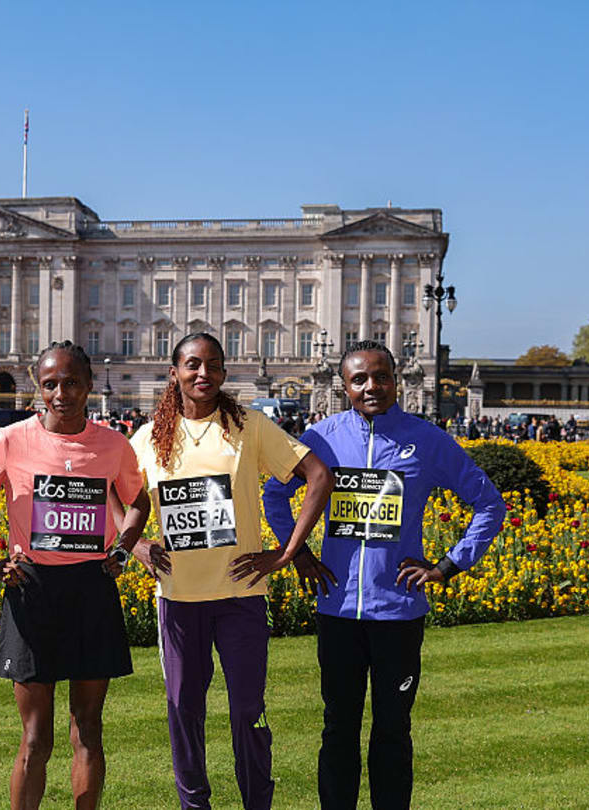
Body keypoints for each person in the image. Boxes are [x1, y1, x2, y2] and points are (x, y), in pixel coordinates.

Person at [262, 340, 506, 810]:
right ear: (345, 387)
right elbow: (274, 495)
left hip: (398, 611)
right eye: (360, 379)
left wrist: (447, 565)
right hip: (337, 609)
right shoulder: (321, 437)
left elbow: (489, 504)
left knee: (393, 730)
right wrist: (298, 554)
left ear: (396, 380)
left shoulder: (428, 439)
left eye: (381, 376)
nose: (372, 386)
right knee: (338, 728)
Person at [128, 333, 333, 810]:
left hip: (241, 596)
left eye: (214, 365)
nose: (204, 374)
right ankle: (194, 804)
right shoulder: (147, 437)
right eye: (193, 365)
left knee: (247, 711)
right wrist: (136, 543)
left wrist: (285, 553)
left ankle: (257, 802)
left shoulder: (251, 426)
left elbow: (319, 477)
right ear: (174, 372)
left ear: (224, 372)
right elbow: (117, 495)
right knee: (184, 712)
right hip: (178, 600)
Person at [0, 340, 152, 810]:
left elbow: (138, 501)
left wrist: (122, 550)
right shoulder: (11, 440)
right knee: (36, 738)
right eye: (51, 384)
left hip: (91, 588)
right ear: (38, 387)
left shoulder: (112, 444)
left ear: (89, 385)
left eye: (72, 382)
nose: (62, 393)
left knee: (89, 729)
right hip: (32, 590)